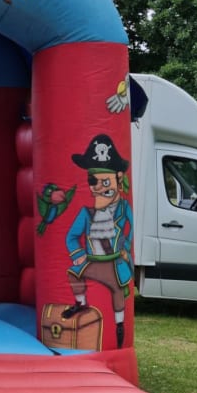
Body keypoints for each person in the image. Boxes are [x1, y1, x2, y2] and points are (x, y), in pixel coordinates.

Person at [63, 133, 133, 348]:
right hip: (92, 260)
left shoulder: (123, 209)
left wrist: (125, 248)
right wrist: (79, 254)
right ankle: (81, 303)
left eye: (105, 182)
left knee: (117, 291)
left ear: (118, 180)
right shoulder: (87, 214)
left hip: (113, 262)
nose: (100, 187)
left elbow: (131, 229)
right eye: (94, 182)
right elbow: (71, 236)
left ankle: (119, 325)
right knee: (73, 273)